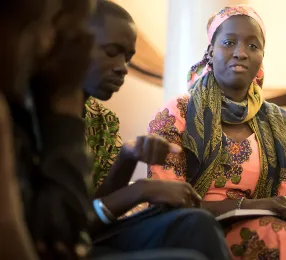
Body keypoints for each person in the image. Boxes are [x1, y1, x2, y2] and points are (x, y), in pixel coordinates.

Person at [148, 4, 286, 259]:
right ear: (211, 51)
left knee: (277, 232)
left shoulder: (276, 123)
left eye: (253, 46)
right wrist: (255, 206)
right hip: (190, 239)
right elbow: (167, 202)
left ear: (262, 58)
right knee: (275, 233)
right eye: (229, 42)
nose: (240, 53)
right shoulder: (179, 111)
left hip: (260, 235)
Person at [83, 2, 231, 259]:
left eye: (128, 58)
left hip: (91, 233)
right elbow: (66, 225)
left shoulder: (102, 119)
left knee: (197, 223)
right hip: (60, 241)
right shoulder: (33, 115)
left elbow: (99, 213)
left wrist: (127, 158)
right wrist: (141, 189)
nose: (123, 68)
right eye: (111, 52)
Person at [0, 0, 95, 259]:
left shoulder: (27, 102)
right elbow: (56, 236)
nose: (44, 44)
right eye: (41, 25)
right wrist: (65, 104)